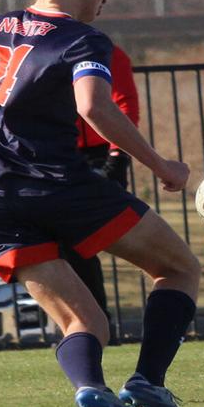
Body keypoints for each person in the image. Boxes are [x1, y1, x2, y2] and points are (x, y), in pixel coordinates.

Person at [0, 0, 203, 407]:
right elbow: (94, 107)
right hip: (59, 186)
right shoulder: (82, 38)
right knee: (179, 268)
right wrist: (162, 166)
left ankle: (90, 388)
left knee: (83, 322)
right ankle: (146, 380)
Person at [71, 42, 140, 321]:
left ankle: (93, 320)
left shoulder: (106, 51)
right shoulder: (38, 51)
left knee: (86, 240)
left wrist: (117, 157)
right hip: (57, 153)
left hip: (99, 153)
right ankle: (91, 320)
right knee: (73, 243)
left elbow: (124, 103)